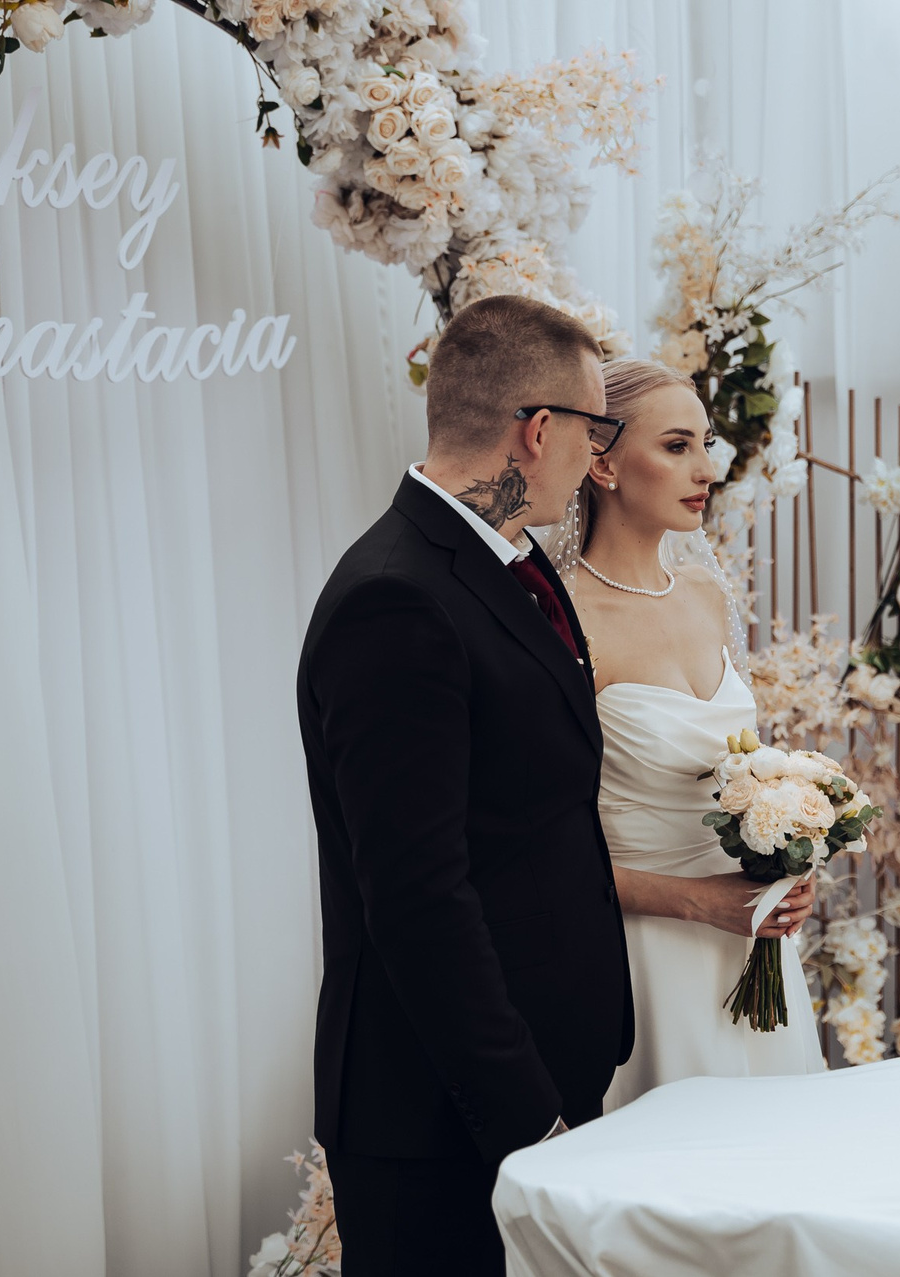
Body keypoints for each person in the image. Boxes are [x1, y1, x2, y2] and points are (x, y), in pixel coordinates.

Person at [296, 295, 632, 1275]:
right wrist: (531, 1122)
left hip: (541, 1071)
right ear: (539, 430)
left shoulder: (512, 562)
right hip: (448, 1113)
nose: (597, 457)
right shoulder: (395, 597)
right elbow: (417, 896)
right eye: (595, 429)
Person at [542, 357, 825, 1109]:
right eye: (676, 446)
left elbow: (746, 769)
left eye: (706, 444)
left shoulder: (705, 590)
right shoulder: (559, 619)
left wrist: (792, 858)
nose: (706, 469)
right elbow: (538, 852)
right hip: (644, 956)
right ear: (602, 462)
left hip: (753, 945)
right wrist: (701, 902)